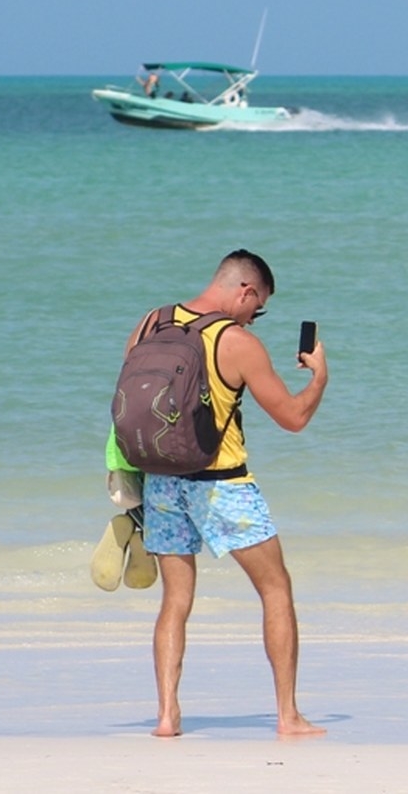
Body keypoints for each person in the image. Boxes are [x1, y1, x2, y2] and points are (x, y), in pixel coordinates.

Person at [125, 249, 329, 737]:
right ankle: (288, 716)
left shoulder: (151, 323)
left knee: (175, 600)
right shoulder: (236, 341)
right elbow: (293, 419)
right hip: (222, 485)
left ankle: (167, 716)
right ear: (247, 291)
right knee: (275, 589)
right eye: (257, 309)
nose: (253, 317)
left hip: (161, 482)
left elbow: (132, 407)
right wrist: (320, 376)